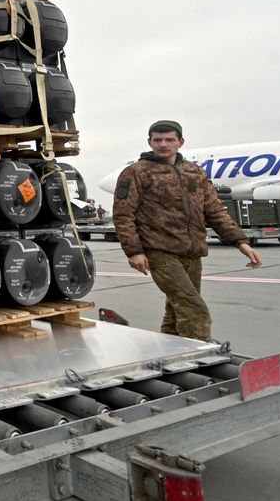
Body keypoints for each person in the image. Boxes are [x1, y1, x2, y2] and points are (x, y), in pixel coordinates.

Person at [112, 119, 262, 340]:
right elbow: (123, 214)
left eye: (169, 140)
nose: (163, 144)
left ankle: (170, 346)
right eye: (158, 140)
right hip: (159, 251)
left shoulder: (195, 172)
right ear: (150, 142)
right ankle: (201, 353)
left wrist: (241, 241)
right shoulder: (135, 172)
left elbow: (214, 209)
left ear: (180, 142)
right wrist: (134, 251)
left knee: (177, 306)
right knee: (193, 307)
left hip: (191, 251)